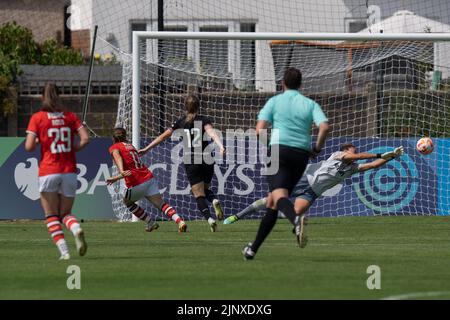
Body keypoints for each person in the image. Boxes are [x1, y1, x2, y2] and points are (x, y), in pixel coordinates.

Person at [226, 144, 404, 249]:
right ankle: (237, 216)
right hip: (305, 181)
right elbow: (359, 156)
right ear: (345, 151)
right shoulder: (338, 155)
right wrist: (380, 153)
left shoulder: (353, 169)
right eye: (352, 150)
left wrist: (392, 157)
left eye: (354, 152)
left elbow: (372, 165)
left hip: (313, 193)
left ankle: (296, 228)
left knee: (297, 212)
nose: (354, 154)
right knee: (268, 200)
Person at [243, 67, 330, 260]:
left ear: (282, 83)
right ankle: (252, 249)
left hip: (278, 151)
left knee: (278, 196)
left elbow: (259, 130)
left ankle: (296, 220)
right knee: (273, 202)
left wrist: (270, 146)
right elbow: (324, 127)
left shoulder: (274, 101)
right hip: (301, 154)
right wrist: (316, 148)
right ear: (301, 84)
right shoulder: (309, 103)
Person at [139, 95, 226, 232]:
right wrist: (221, 146)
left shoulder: (180, 122)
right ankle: (214, 200)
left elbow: (162, 137)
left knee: (198, 194)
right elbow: (212, 133)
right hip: (207, 158)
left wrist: (146, 148)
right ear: (199, 106)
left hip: (191, 160)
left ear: (185, 107)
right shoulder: (204, 120)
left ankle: (210, 219)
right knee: (206, 189)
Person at [25, 83, 90, 260]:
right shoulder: (70, 116)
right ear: (59, 97)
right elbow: (85, 139)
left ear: (42, 98)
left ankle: (65, 253)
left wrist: (39, 141)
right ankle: (75, 228)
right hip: (69, 170)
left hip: (48, 170)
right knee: (65, 214)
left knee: (51, 215)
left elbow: (29, 146)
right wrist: (72, 148)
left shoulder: (38, 118)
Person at [106, 128, 187, 233]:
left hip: (136, 183)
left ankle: (150, 222)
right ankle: (179, 221)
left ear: (113, 137)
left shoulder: (114, 147)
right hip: (148, 178)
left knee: (128, 202)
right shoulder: (131, 147)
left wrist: (120, 172)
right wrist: (118, 176)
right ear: (125, 136)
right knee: (161, 204)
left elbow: (118, 157)